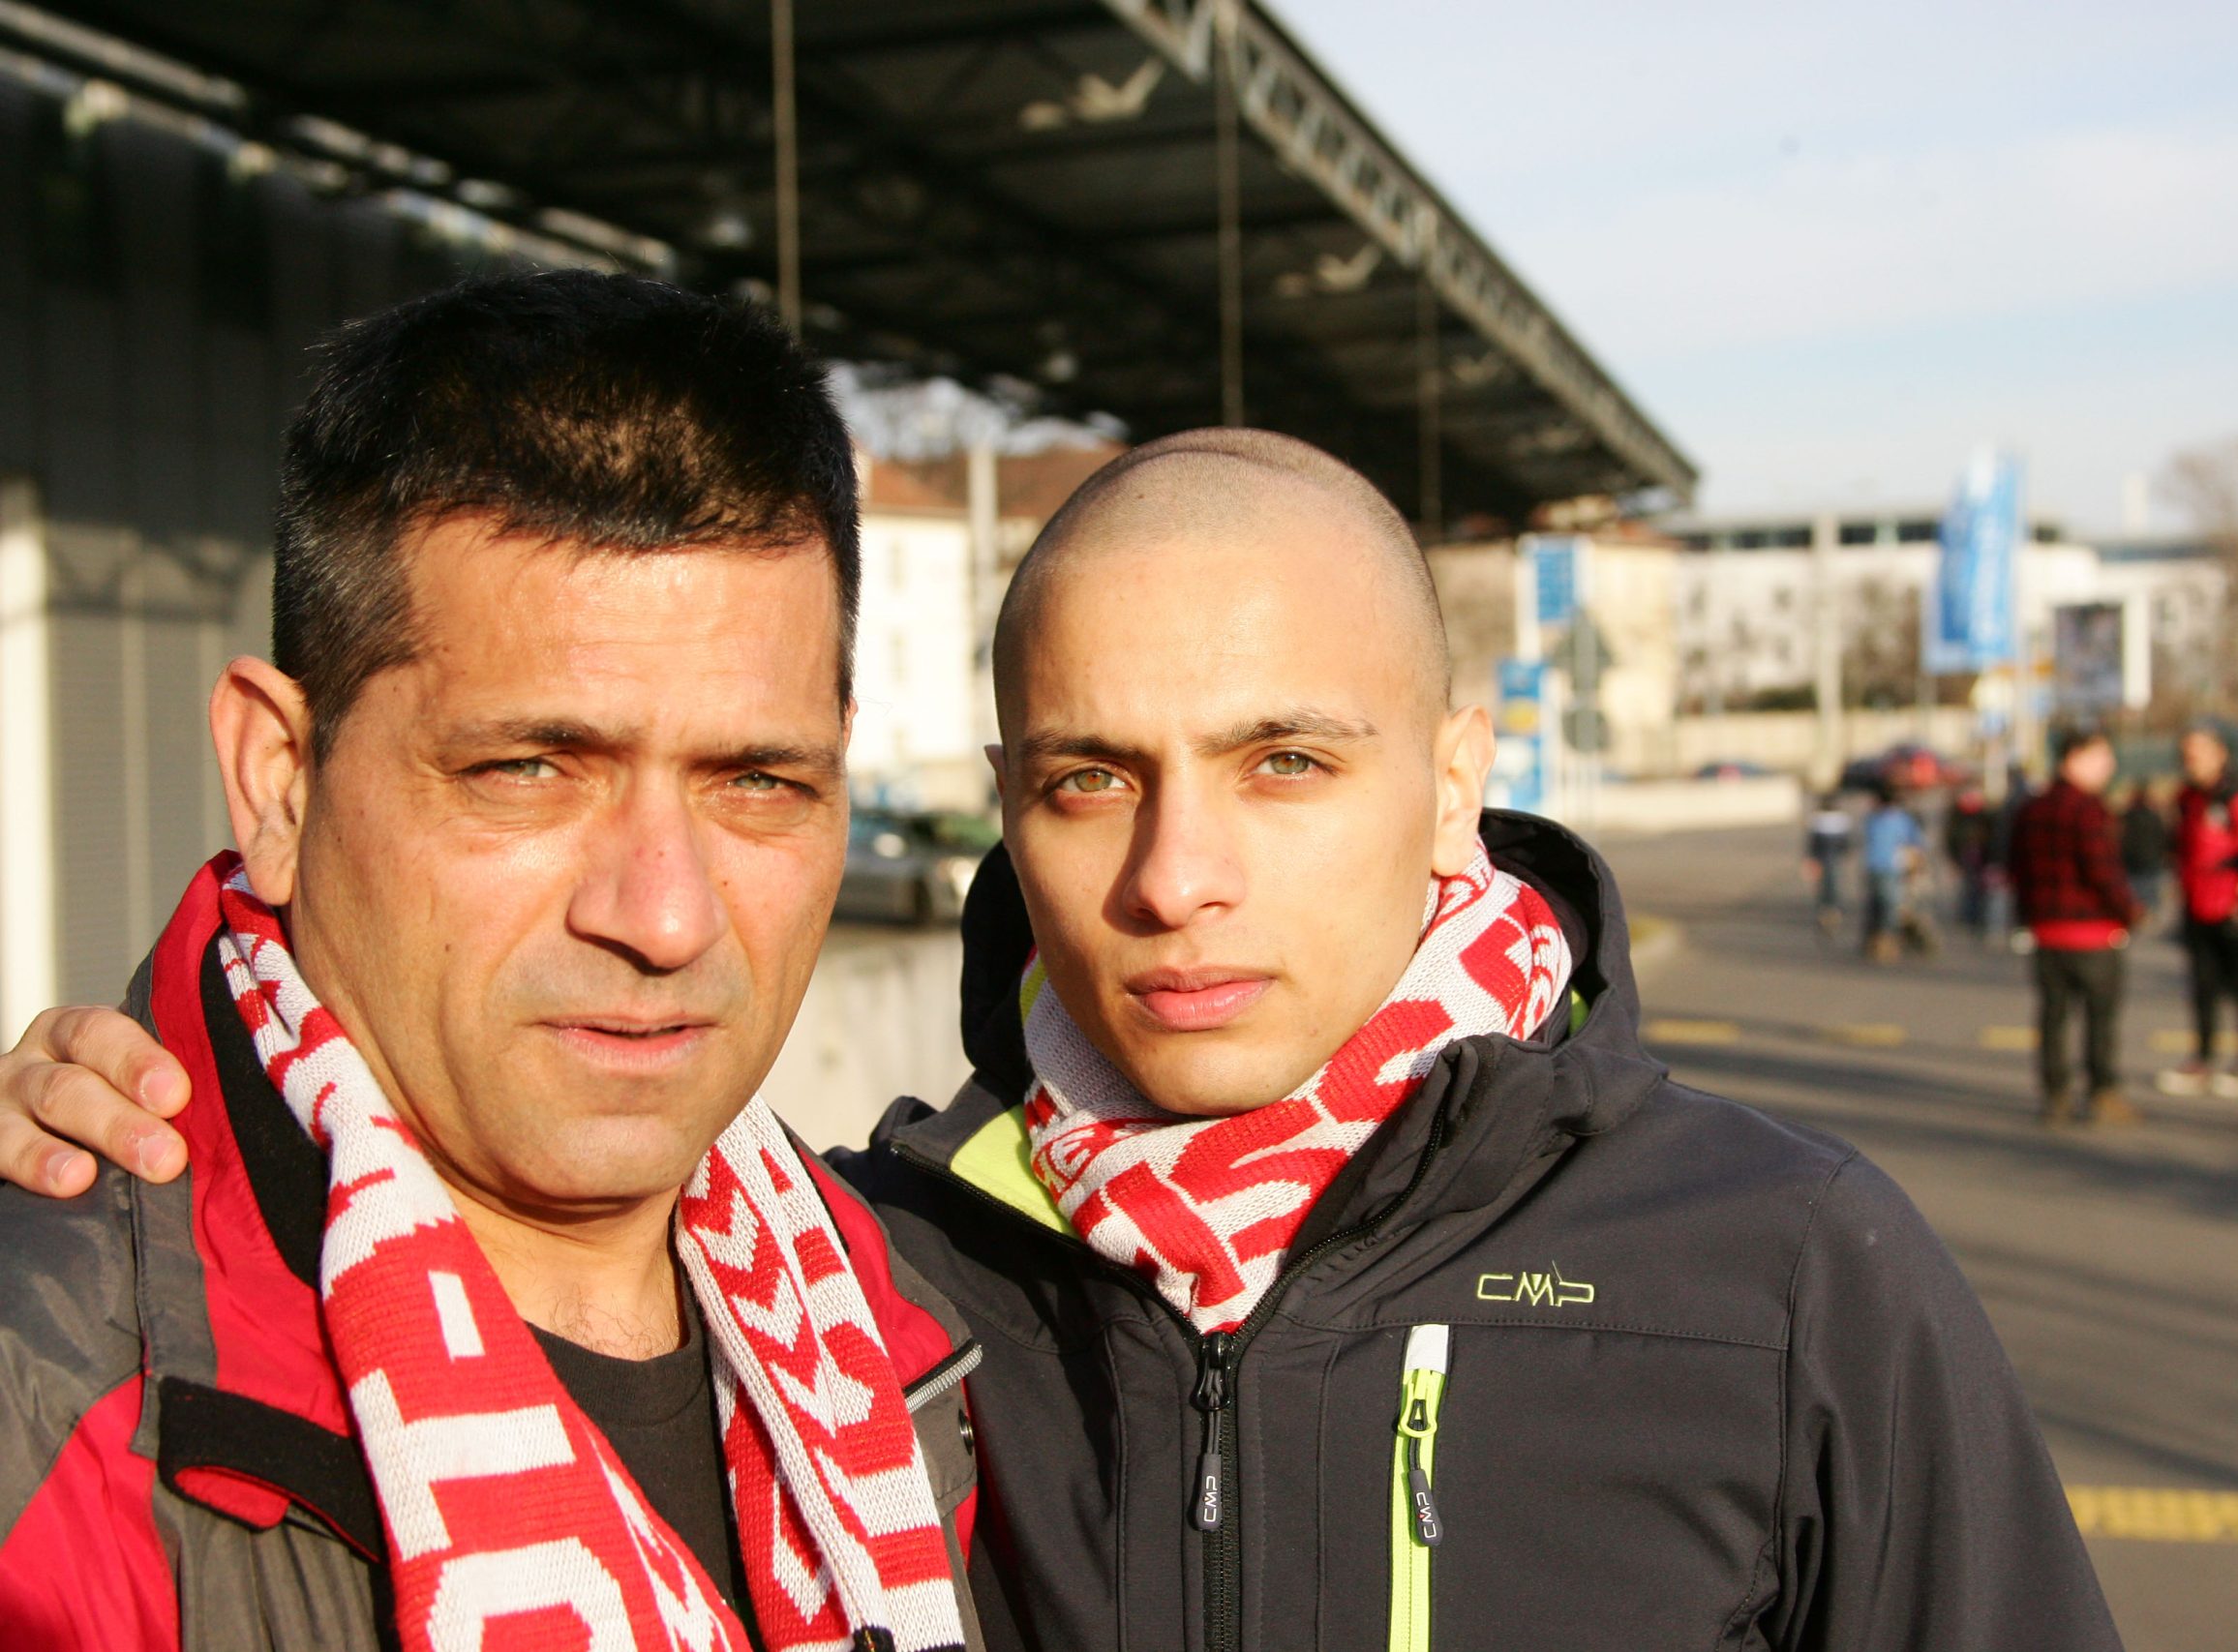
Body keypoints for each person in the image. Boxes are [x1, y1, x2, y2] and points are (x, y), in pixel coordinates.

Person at [2, 431, 2127, 1649]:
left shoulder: (1775, 1268)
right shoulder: (855, 1286)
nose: (1174, 874)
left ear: (1456, 770)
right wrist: (110, 1090)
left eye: (1284, 760)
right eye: (1090, 777)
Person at [0, 275, 983, 1651]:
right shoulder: (51, 1424)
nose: (665, 914)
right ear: (281, 780)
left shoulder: (913, 1333)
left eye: (757, 780)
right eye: (529, 768)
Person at [2008, 729, 2144, 1126]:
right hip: (2093, 933)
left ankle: (2055, 1094)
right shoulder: (2088, 810)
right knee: (2099, 1020)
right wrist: (2131, 911)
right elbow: (2103, 872)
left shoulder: (2031, 808)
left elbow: (2017, 869)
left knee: (2053, 1017)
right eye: (2102, 757)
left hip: (2046, 931)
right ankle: (2102, 1092)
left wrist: (2027, 917)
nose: (2109, 767)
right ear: (2075, 756)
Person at [2158, 725, 2238, 1099]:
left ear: (2220, 753)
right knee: (2202, 985)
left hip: (2233, 906)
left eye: (2199, 752)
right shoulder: (2187, 798)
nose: (2191, 761)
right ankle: (2202, 1057)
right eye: (2186, 754)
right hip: (2196, 903)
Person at [1860, 779, 1928, 963]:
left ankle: (1880, 941)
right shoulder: (1900, 819)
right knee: (1887, 906)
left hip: (1879, 867)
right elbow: (1916, 844)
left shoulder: (1874, 819)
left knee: (1880, 906)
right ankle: (1883, 941)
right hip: (1888, 868)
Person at [1942, 783, 1998, 941]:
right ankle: (1969, 917)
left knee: (1981, 889)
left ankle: (1977, 918)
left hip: (1982, 857)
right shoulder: (1958, 814)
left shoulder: (1984, 813)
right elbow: (1951, 838)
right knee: (1970, 888)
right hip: (1966, 856)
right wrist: (1953, 858)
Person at [2117, 781, 2171, 924]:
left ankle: (2141, 916)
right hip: (2151, 858)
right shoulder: (2153, 816)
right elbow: (2162, 836)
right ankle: (2151, 918)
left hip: (2132, 859)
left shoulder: (2126, 816)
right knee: (2150, 892)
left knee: (2136, 891)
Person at [1801, 790, 1855, 934]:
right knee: (1834, 887)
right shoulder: (1841, 820)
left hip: (1823, 859)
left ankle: (1825, 913)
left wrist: (1810, 860)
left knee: (1824, 888)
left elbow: (1812, 845)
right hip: (1835, 860)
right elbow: (1846, 844)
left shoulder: (1817, 820)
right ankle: (1833, 913)